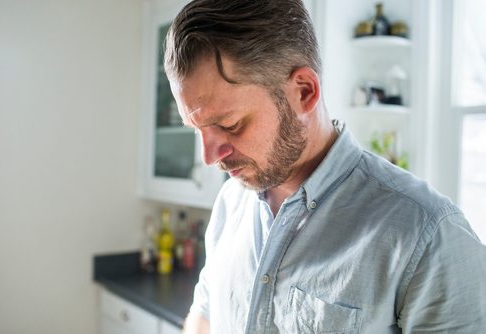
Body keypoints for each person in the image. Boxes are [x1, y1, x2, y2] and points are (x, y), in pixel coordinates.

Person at [163, 0, 486, 333]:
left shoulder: (430, 237)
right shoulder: (230, 205)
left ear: (304, 92)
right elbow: (206, 313)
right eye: (197, 130)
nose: (209, 156)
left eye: (230, 124)